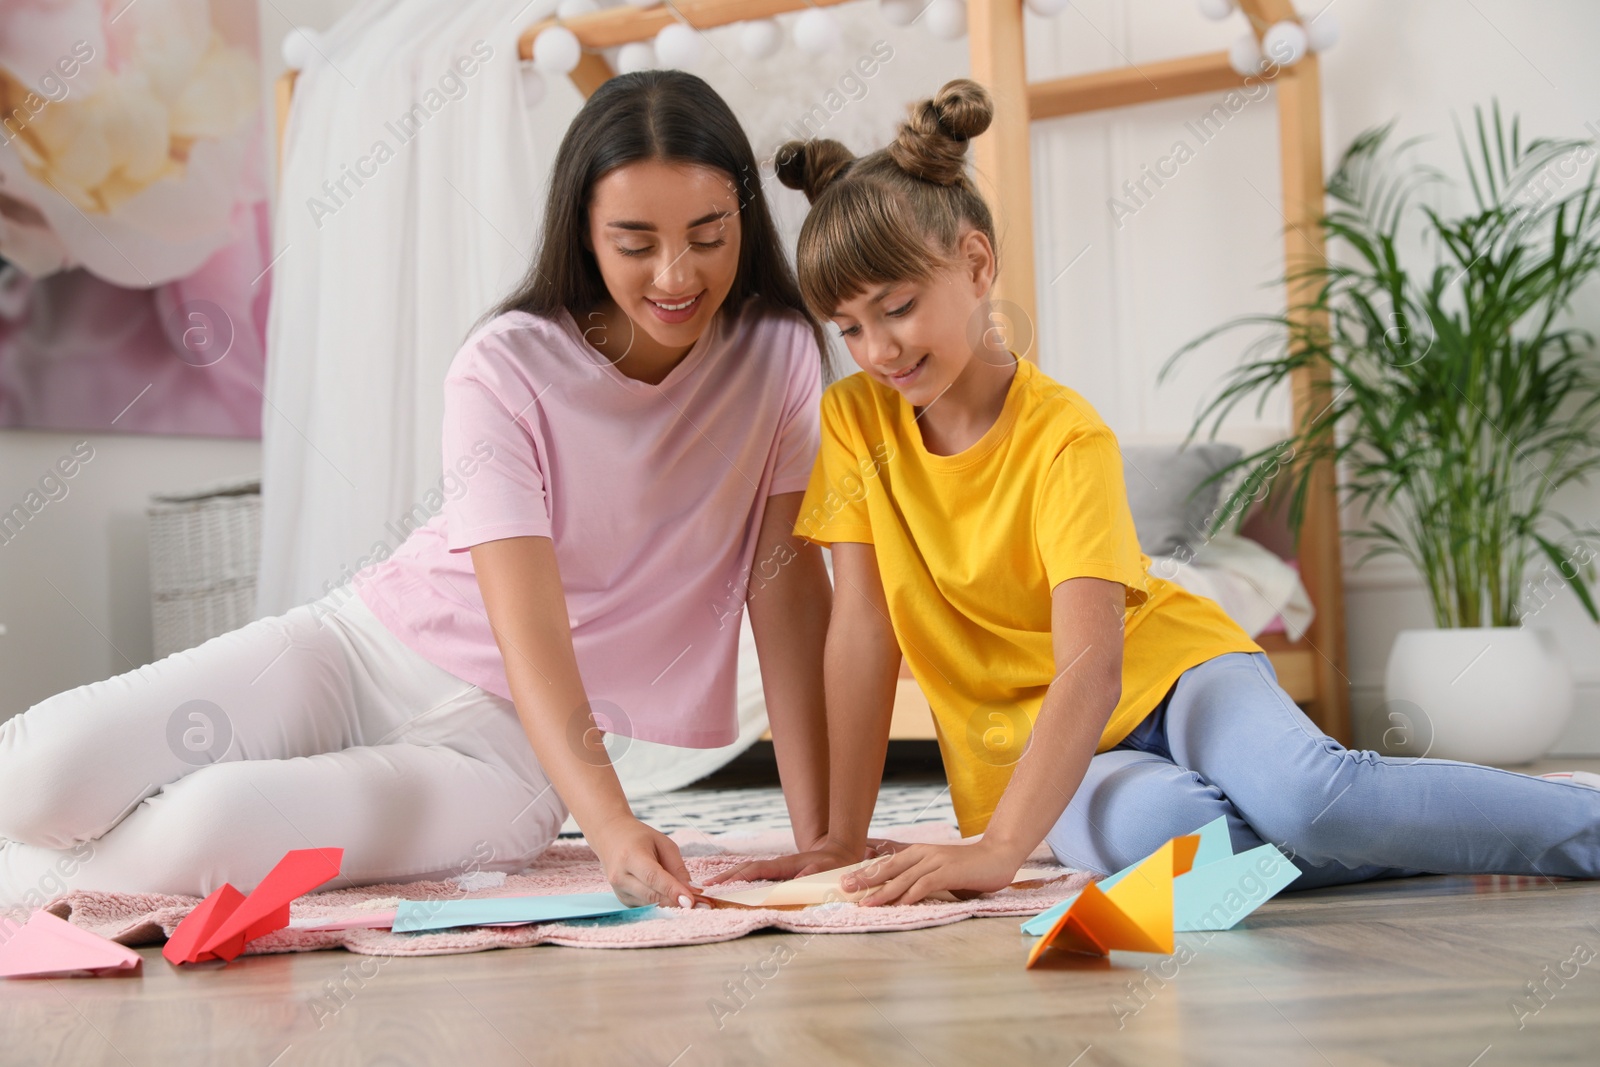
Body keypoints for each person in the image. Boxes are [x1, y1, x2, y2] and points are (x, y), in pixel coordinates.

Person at [708, 77, 1600, 905]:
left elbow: (1092, 667)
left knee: (1306, 797)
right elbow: (864, 632)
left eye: (895, 308)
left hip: (1173, 672)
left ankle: (1580, 825)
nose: (877, 352)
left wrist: (997, 852)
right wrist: (838, 839)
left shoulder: (1066, 434)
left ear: (977, 264)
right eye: (850, 327)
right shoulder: (856, 421)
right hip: (1038, 756)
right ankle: (1420, 837)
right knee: (1173, 836)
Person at [0, 70, 833, 912]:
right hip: (362, 655)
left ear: (745, 219)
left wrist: (820, 842)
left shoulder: (781, 356)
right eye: (635, 241)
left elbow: (788, 591)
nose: (675, 273)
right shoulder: (507, 363)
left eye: (707, 234)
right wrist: (614, 825)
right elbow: (527, 625)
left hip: (508, 767)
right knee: (39, 773)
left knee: (204, 828)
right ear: (583, 231)